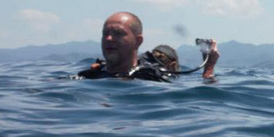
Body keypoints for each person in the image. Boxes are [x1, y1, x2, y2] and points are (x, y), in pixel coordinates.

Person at [78, 11, 219, 81]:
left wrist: (209, 69)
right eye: (105, 33)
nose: (109, 39)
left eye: (118, 33)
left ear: (138, 41)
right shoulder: (90, 75)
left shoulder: (150, 78)